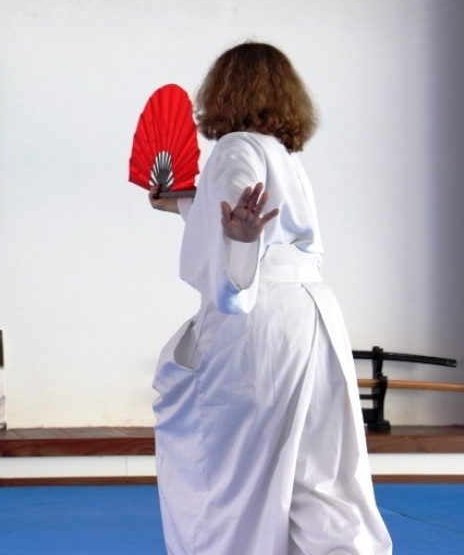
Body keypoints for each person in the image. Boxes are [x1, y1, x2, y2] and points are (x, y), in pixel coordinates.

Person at [147, 43, 391, 555]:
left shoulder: (236, 146)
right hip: (311, 314)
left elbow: (241, 214)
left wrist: (240, 243)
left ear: (222, 91)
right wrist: (185, 202)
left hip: (259, 322)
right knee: (319, 467)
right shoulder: (285, 156)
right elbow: (252, 215)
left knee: (230, 468)